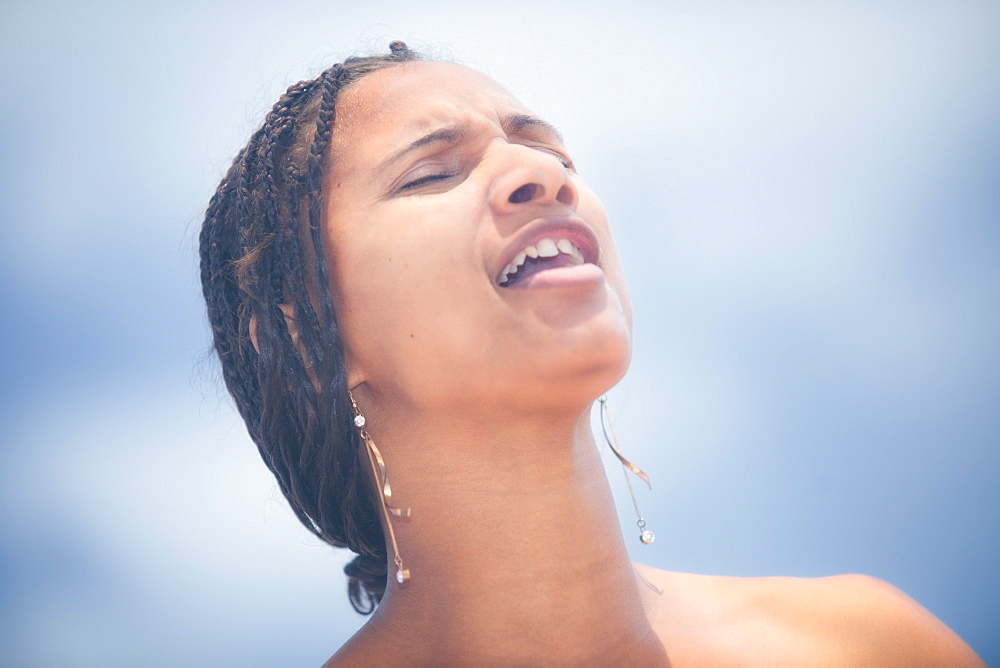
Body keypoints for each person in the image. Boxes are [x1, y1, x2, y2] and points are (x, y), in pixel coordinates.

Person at [199, 41, 983, 665]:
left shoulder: (867, 648)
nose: (539, 174)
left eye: (557, 157)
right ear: (305, 335)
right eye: (431, 172)